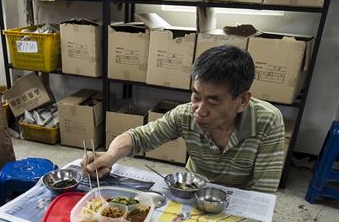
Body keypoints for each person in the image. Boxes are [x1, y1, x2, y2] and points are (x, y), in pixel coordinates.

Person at [83, 45, 286, 193]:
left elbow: (264, 192)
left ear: (242, 100)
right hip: (192, 188)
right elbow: (139, 138)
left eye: (213, 102)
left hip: (239, 197)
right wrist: (110, 156)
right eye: (196, 96)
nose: (200, 110)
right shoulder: (185, 114)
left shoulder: (267, 121)